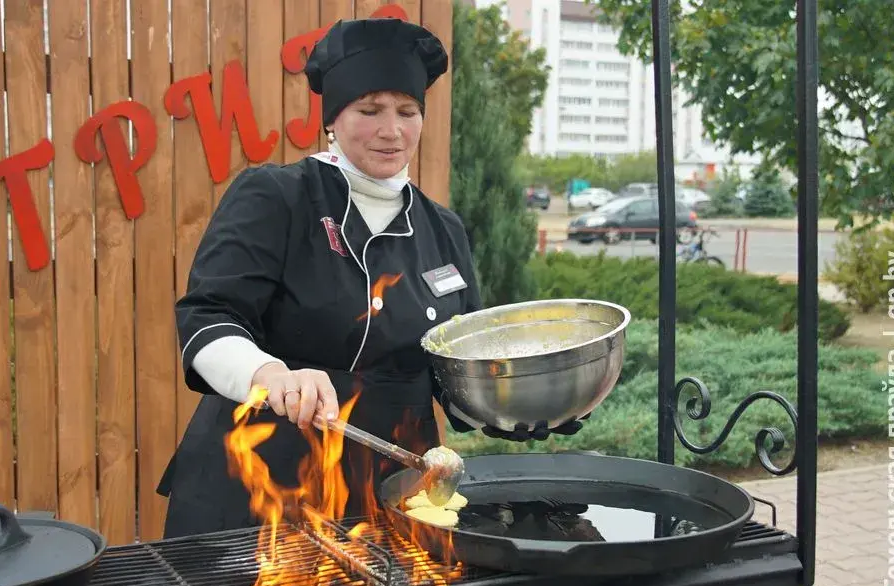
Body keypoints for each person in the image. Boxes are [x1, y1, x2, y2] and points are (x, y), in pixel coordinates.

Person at [156, 17, 586, 539]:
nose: (392, 130)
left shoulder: (442, 229)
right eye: (370, 110)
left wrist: (521, 408)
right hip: (260, 485)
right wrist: (270, 375)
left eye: (408, 112)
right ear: (332, 119)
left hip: (390, 491)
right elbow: (207, 318)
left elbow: (457, 376)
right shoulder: (276, 197)